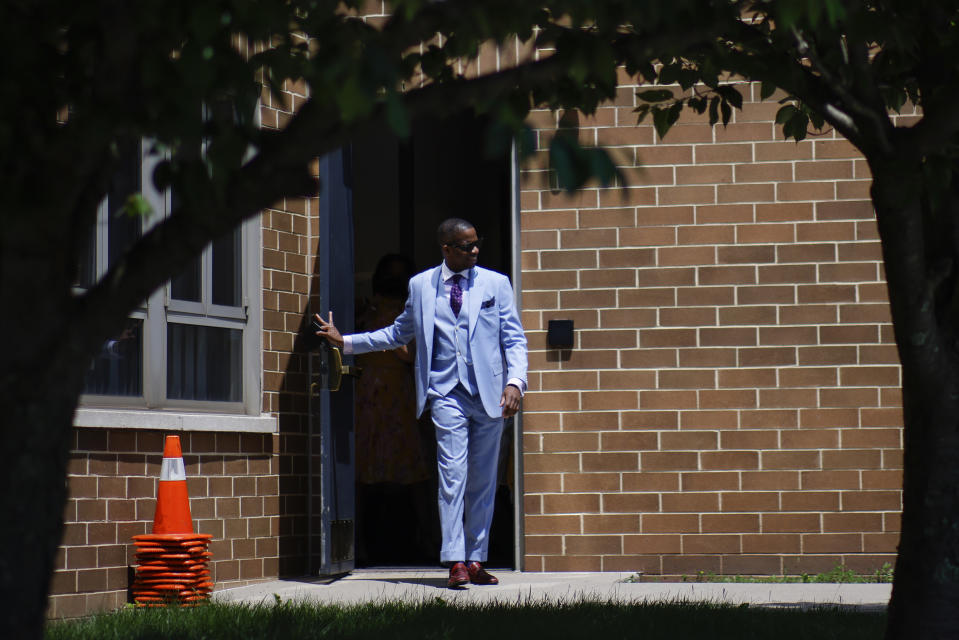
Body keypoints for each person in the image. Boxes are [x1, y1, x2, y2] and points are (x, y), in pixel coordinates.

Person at [314, 217, 528, 588]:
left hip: (491, 395)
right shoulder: (422, 286)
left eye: (478, 243)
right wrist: (345, 342)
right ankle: (455, 560)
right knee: (452, 475)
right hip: (445, 393)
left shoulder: (496, 284)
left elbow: (514, 339)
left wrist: (515, 382)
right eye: (466, 246)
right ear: (446, 248)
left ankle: (476, 559)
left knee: (483, 480)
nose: (475, 250)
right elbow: (397, 333)